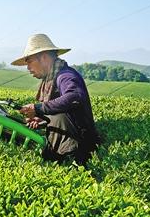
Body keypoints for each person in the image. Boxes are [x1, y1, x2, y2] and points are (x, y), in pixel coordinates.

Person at [11, 34, 101, 165]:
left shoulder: (65, 76)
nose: (28, 68)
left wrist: (38, 108)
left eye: (29, 61)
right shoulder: (52, 78)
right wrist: (41, 119)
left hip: (79, 145)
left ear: (44, 57)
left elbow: (74, 98)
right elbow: (57, 108)